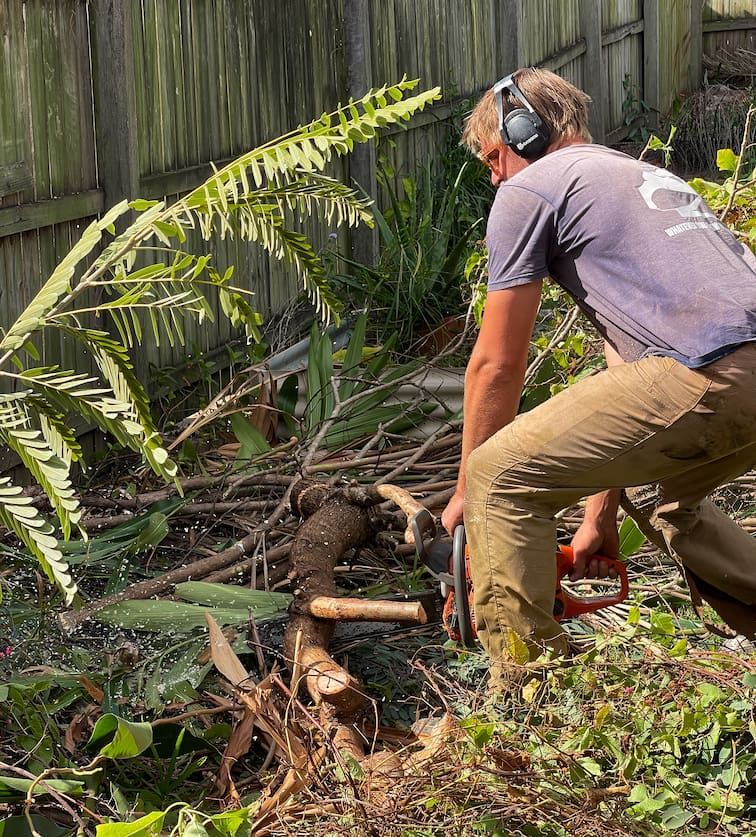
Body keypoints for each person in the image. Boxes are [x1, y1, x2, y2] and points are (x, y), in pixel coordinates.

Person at [441, 67, 756, 667]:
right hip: (736, 374)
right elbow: (626, 370)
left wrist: (468, 493)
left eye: (493, 158)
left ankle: (527, 695)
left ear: (523, 133)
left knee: (498, 477)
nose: (494, 176)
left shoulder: (531, 188)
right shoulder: (640, 175)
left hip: (708, 370)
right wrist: (599, 515)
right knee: (667, 501)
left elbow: (497, 363)